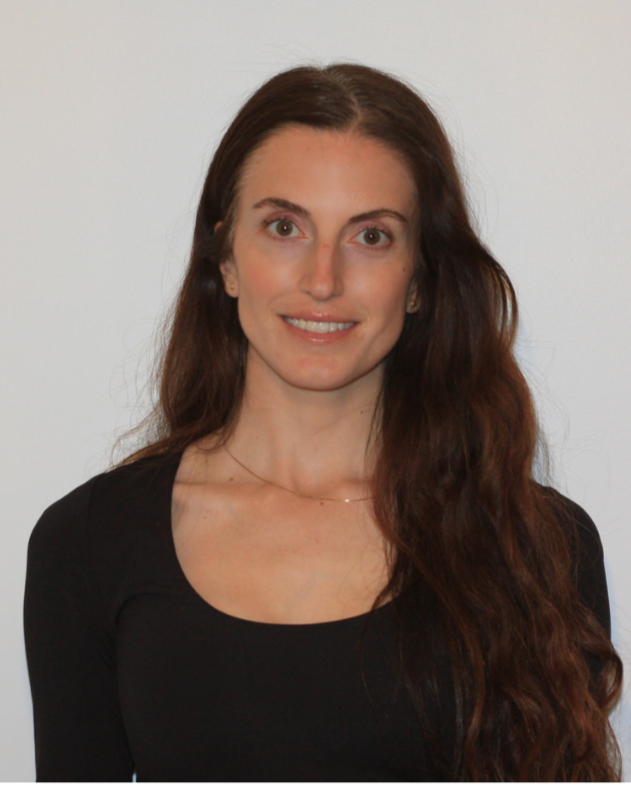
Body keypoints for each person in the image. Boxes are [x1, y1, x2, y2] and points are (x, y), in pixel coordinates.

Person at [24, 63, 622, 781]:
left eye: (370, 236)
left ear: (419, 280)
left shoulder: (537, 544)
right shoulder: (87, 545)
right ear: (226, 258)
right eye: (284, 227)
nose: (322, 280)